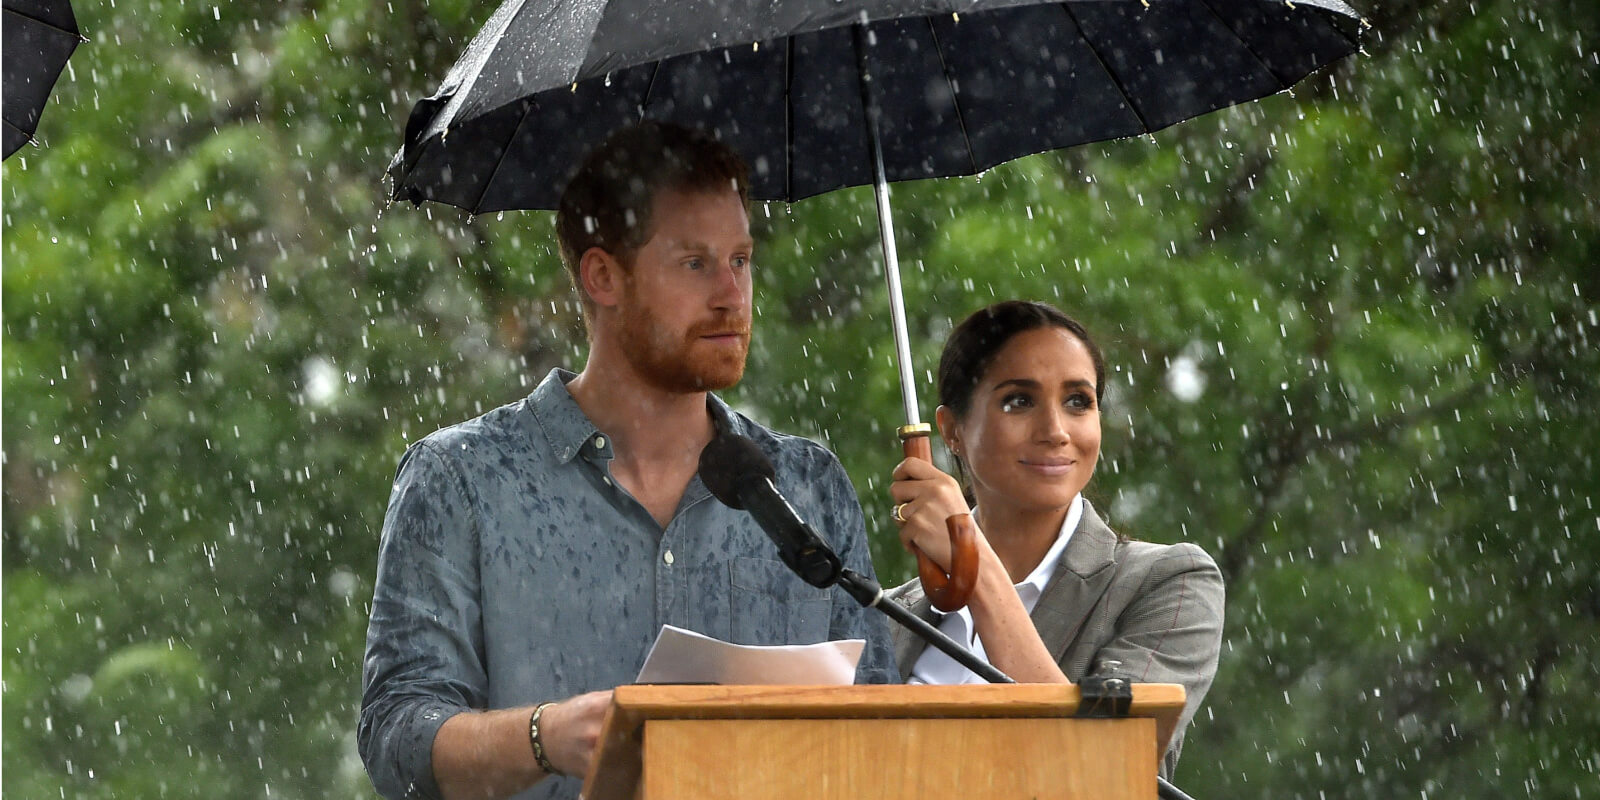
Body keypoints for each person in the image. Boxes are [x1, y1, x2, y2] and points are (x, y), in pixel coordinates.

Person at [359, 122, 897, 800]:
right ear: (603, 276)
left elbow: (884, 729)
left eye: (741, 260)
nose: (732, 295)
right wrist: (544, 737)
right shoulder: (458, 480)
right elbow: (395, 732)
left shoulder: (808, 485)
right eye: (695, 263)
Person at [886, 300, 1224, 778]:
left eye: (1078, 401)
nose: (1056, 431)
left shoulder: (1170, 583)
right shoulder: (887, 616)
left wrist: (974, 566)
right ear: (952, 430)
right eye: (1019, 401)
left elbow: (1096, 768)